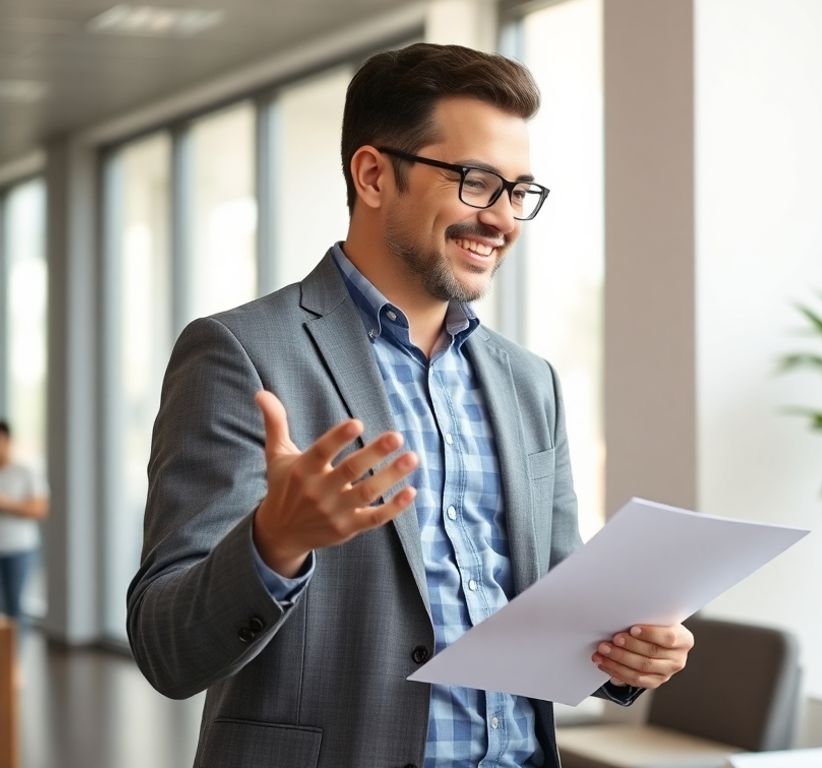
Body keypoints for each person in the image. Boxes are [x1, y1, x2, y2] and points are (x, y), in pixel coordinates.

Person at [127, 43, 693, 768]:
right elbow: (165, 648)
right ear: (372, 175)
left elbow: (559, 601)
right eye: (477, 183)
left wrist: (628, 650)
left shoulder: (530, 383)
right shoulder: (240, 353)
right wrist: (274, 540)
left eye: (519, 192)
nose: (504, 220)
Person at [0, 420, 48, 626]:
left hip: (18, 549)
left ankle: (17, 647)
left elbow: (39, 509)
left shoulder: (25, 471)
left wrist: (6, 504)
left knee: (15, 606)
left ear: (8, 440)